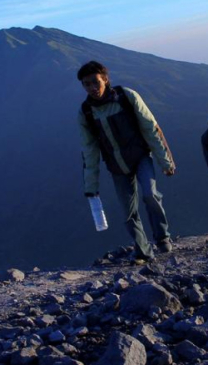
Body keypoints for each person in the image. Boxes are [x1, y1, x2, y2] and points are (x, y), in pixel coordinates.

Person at [77, 61, 175, 264]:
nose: (92, 88)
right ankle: (143, 251)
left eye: (95, 82)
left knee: (150, 195)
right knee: (128, 211)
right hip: (117, 166)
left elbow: (151, 128)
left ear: (105, 79)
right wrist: (91, 187)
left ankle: (162, 236)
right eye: (86, 84)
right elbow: (89, 150)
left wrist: (165, 162)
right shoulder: (86, 112)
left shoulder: (127, 97)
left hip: (140, 157)